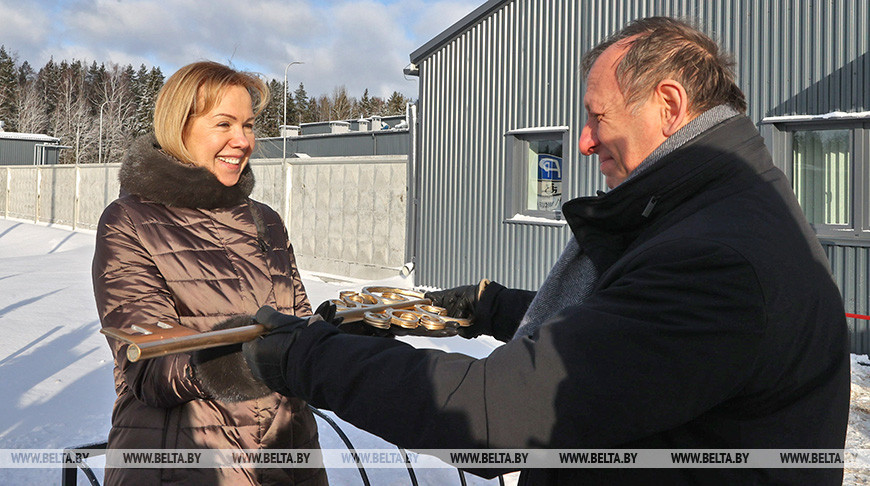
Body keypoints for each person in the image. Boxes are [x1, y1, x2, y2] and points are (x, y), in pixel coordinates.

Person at [242, 17, 850, 485]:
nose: (584, 142)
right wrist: (491, 309)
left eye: (597, 116)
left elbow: (493, 416)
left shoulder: (719, 258)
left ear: (668, 105)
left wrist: (306, 357)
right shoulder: (724, 209)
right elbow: (636, 333)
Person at [92, 61, 327, 485]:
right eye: (224, 124)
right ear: (178, 128)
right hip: (186, 462)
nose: (243, 141)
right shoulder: (128, 221)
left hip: (285, 454)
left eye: (249, 125)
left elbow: (298, 324)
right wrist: (248, 358)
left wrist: (341, 335)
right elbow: (147, 364)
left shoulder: (265, 221)